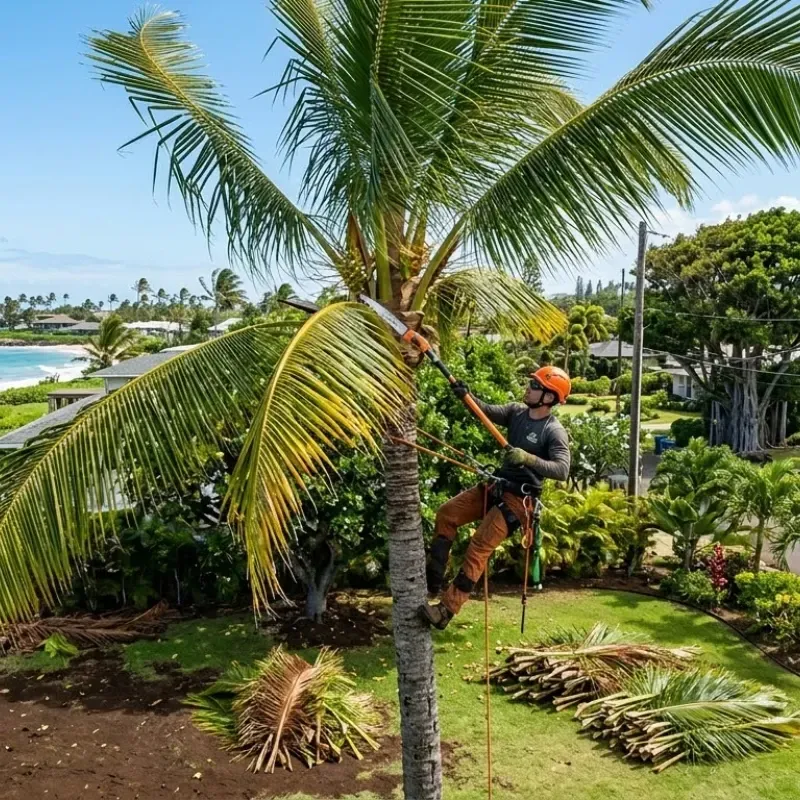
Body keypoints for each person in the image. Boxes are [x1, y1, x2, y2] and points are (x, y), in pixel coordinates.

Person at [419, 366, 572, 630]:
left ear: (549, 397)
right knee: (447, 514)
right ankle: (433, 578)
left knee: (479, 547)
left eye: (535, 386)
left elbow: (562, 469)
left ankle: (446, 610)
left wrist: (528, 458)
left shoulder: (553, 431)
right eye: (531, 383)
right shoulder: (516, 412)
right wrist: (465, 396)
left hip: (519, 501)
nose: (529, 388)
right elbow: (484, 411)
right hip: (498, 486)